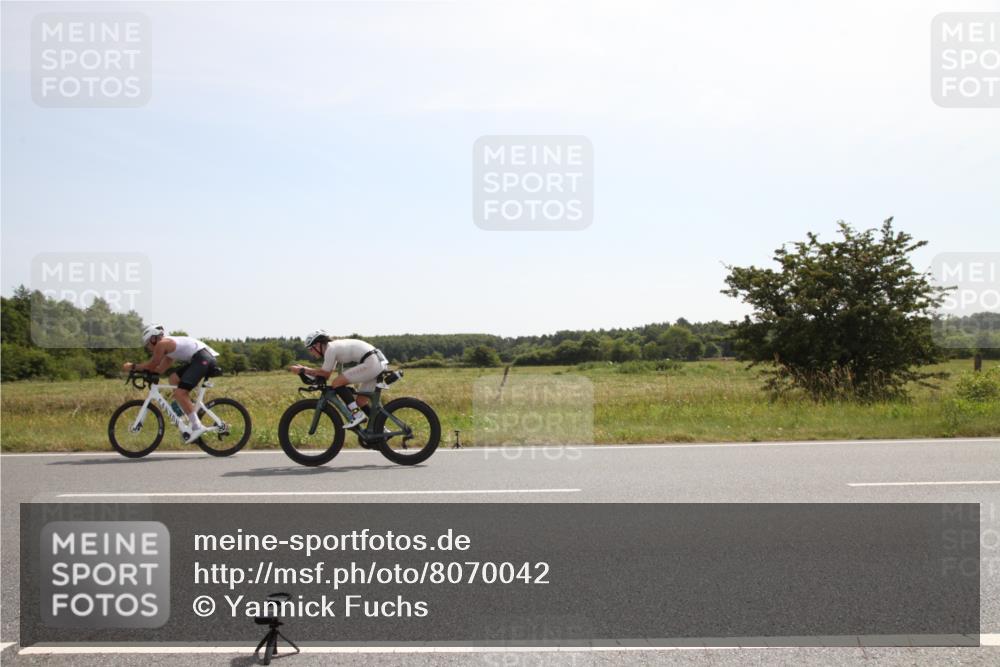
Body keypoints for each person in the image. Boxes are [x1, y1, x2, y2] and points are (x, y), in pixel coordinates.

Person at [123, 324, 220, 442]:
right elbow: (159, 370)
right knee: (173, 378)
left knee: (180, 393)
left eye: (148, 343)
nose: (148, 347)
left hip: (203, 359)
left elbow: (151, 365)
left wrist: (133, 366)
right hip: (200, 358)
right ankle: (187, 408)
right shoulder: (168, 350)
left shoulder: (162, 344)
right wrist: (145, 374)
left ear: (154, 339)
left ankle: (197, 426)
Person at [287, 330, 388, 428]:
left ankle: (357, 415)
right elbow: (326, 375)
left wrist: (303, 370)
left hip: (371, 362)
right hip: (378, 362)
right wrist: (306, 371)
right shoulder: (333, 348)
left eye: (310, 349)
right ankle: (381, 429)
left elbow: (325, 373)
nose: (310, 353)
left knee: (336, 383)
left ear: (317, 345)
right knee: (360, 402)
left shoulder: (330, 349)